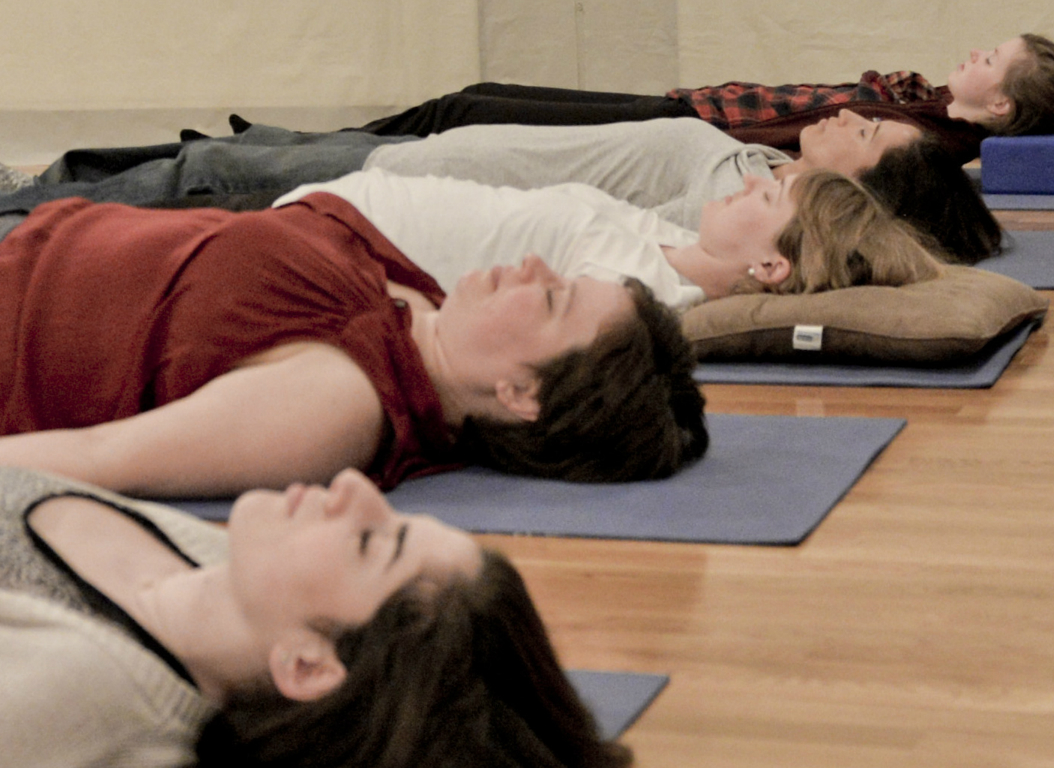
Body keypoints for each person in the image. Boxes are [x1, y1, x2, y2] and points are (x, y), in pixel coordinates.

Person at [0, 463, 631, 768]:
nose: (356, 487)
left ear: (307, 666)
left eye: (369, 542)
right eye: (392, 519)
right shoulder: (224, 566)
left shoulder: (74, 696)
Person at [0, 193, 708, 497]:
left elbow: (98, 460)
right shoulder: (422, 309)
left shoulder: (333, 407)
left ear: (524, 394)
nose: (532, 265)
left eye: (552, 298)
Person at [0, 105, 1002, 265]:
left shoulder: (741, 200)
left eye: (864, 132)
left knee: (186, 179)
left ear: (873, 183)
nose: (843, 117)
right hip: (403, 157)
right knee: (176, 172)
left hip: (389, 182)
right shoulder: (758, 172)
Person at [262, 165, 942, 315]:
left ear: (769, 262)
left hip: (317, 249)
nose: (751, 180)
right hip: (328, 212)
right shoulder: (674, 241)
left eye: (767, 197)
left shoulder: (637, 288)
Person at [360, 34, 1054, 163]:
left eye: (989, 60)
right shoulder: (925, 103)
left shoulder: (922, 140)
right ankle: (283, 144)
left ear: (1000, 107)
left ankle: (278, 161)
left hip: (678, 130)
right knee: (480, 94)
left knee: (464, 113)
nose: (973, 54)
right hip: (683, 108)